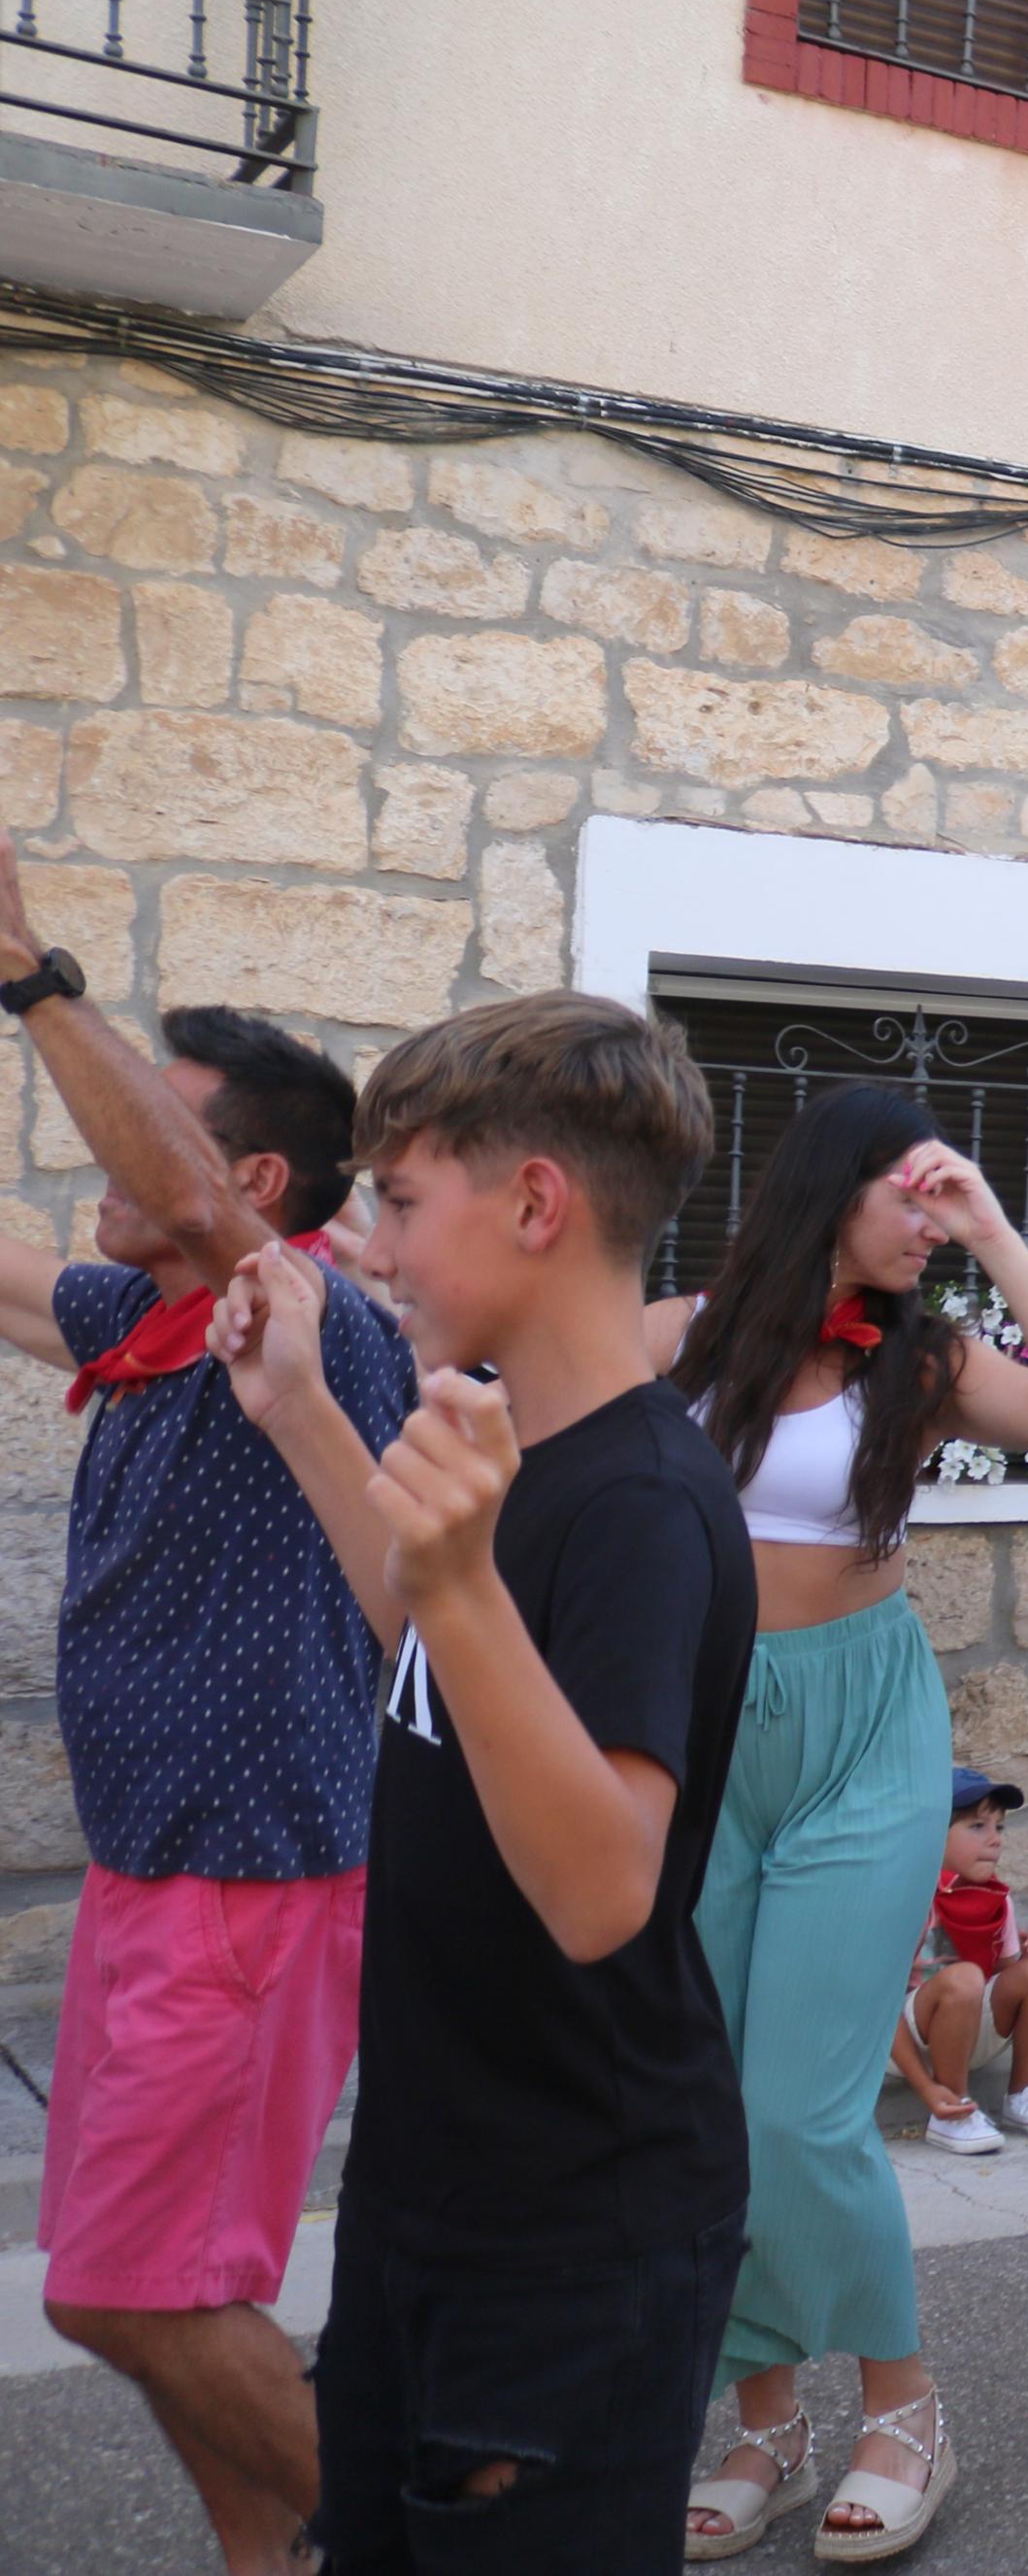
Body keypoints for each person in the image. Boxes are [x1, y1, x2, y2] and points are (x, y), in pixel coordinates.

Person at [212, 991, 759, 2572]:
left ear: (534, 1204)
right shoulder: (522, 1452)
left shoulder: (644, 1501)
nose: (369, 1249)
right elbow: (445, 1666)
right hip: (438, 2179)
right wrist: (301, 1415)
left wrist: (457, 1584)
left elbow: (601, 1893)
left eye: (395, 1201)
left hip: (574, 2223)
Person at [0, 858, 415, 2576]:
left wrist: (35, 985)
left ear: (246, 1179)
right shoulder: (157, 1320)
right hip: (153, 1873)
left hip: (253, 1884)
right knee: (179, 2281)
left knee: (119, 2288)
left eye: (148, 1135)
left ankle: (417, 2544)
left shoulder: (316, 1320)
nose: (110, 1165)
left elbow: (179, 1200)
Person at [664, 1083, 1028, 2560]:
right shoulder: (677, 1332)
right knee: (708, 2105)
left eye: (948, 1198)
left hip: (862, 1730)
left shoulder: (922, 1355)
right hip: (694, 1731)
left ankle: (902, 2405)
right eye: (916, 1193)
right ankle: (763, 2417)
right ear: (832, 1187)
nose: (930, 1220)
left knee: (802, 2105)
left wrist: (994, 1229)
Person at [891, 1769, 1028, 2156]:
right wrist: (926, 2087)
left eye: (999, 1828)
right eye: (977, 1826)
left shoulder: (995, 1900)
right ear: (931, 1834)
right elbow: (874, 2007)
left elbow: (1003, 1981)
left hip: (966, 2030)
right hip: (898, 2041)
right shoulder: (905, 1898)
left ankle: (1023, 2095)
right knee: (965, 1977)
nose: (994, 1840)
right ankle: (952, 2110)